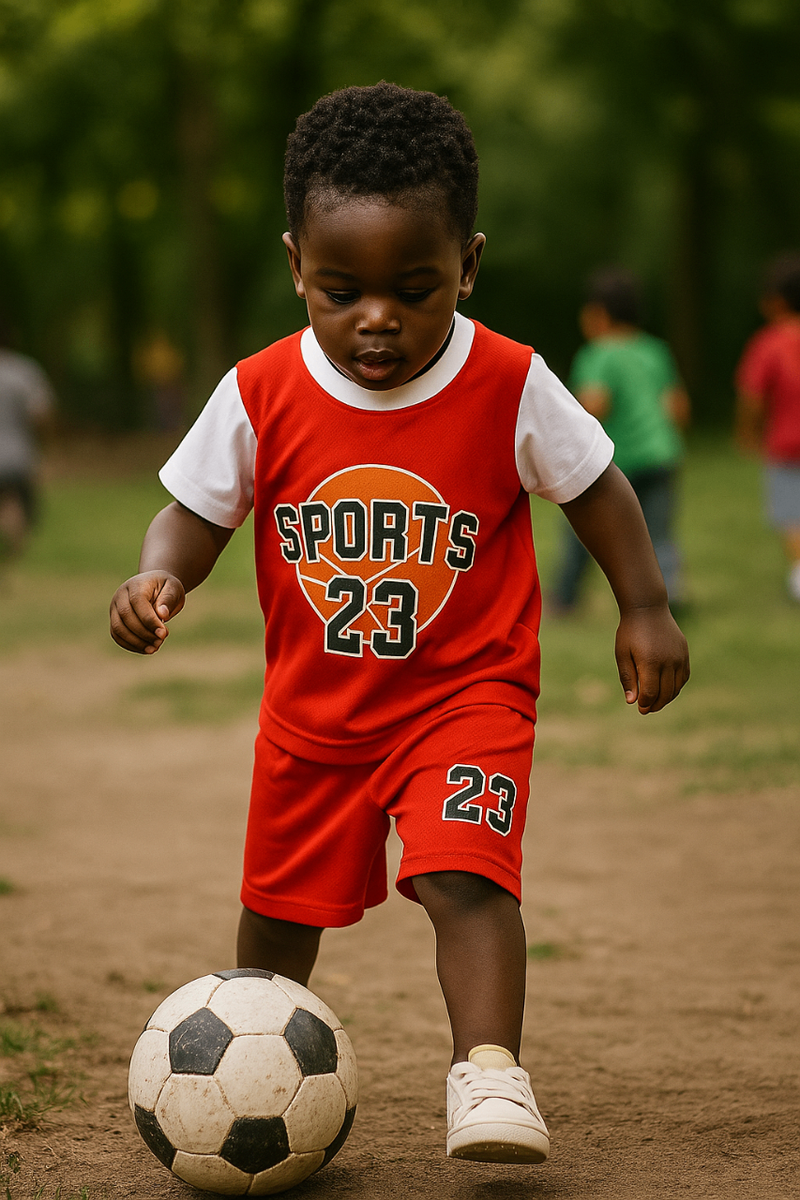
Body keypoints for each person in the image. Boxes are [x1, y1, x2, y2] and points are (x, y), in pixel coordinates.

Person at [109, 83, 689, 1166]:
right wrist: (156, 579)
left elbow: (599, 485)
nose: (376, 317)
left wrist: (643, 606)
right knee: (279, 916)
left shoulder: (510, 382)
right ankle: (252, 1074)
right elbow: (193, 510)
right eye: (340, 290)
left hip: (462, 698)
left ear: (466, 265)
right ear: (295, 267)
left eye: (414, 290)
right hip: (312, 718)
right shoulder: (259, 389)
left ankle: (489, 1075)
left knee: (466, 878)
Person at [550, 267, 690, 614]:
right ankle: (670, 594)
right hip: (661, 455)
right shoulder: (655, 350)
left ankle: (565, 599)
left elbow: (596, 404)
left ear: (598, 314)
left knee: (584, 533)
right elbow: (678, 407)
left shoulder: (599, 354)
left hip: (615, 462)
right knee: (658, 534)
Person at [735, 253, 800, 603]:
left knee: (791, 512)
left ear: (775, 301)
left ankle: (799, 573)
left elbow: (752, 395)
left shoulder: (769, 343)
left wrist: (746, 432)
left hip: (786, 442)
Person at [0, 320, 55, 566]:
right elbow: (41, 413)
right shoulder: (24, 372)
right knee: (13, 504)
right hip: (16, 454)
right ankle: (13, 557)